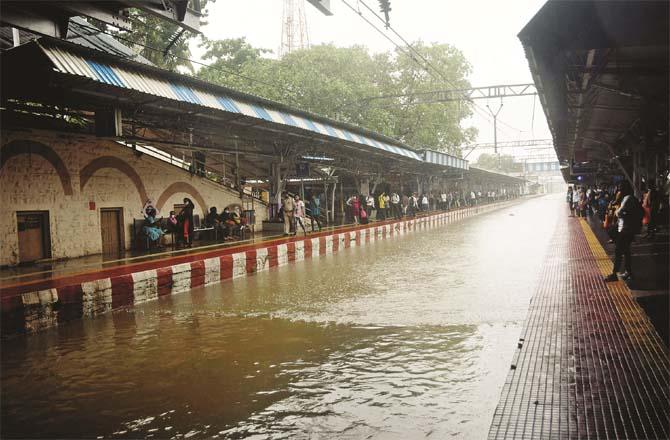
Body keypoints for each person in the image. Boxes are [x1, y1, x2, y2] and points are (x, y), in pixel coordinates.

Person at [605, 181, 642, 282]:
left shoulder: (627, 198)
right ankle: (629, 272)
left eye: (620, 189)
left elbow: (619, 212)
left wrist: (617, 212)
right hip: (627, 229)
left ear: (625, 190)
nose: (619, 191)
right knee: (626, 251)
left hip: (626, 229)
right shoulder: (630, 198)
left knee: (618, 251)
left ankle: (614, 274)